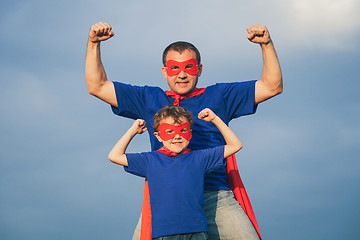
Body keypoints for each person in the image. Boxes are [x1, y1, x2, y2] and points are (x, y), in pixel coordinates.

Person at [85, 22, 283, 240]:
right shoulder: (149, 98)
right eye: (174, 68)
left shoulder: (220, 95)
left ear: (199, 69)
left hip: (214, 196)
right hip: (166, 199)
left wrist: (266, 44)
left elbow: (271, 86)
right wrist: (94, 43)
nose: (181, 75)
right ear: (164, 71)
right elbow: (97, 86)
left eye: (188, 67)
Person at [108, 105, 242, 239]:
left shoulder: (200, 158)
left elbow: (235, 145)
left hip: (197, 231)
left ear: (190, 132)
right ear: (158, 136)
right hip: (164, 234)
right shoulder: (150, 160)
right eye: (169, 131)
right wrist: (132, 131)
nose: (177, 136)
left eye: (183, 130)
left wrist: (215, 119)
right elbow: (114, 156)